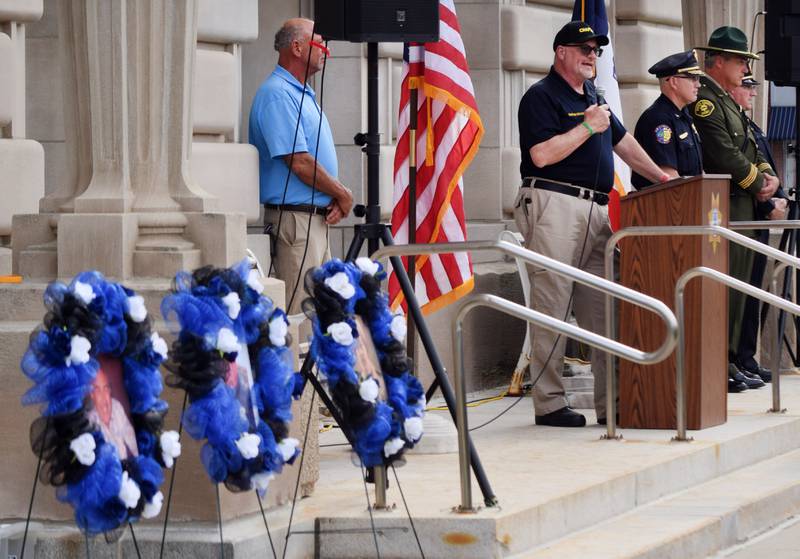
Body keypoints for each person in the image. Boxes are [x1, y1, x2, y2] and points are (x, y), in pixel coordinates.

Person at [516, 20, 670, 427]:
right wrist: (586, 127)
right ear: (560, 52)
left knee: (605, 309)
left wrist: (661, 177)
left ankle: (614, 403)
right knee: (551, 304)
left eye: (596, 50)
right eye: (583, 48)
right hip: (554, 204)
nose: (591, 56)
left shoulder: (595, 98)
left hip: (598, 210)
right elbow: (541, 156)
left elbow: (624, 144)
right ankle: (549, 403)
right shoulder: (541, 97)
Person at [690, 26, 780, 393]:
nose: (745, 67)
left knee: (743, 286)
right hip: (726, 205)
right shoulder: (707, 100)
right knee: (727, 286)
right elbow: (722, 152)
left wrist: (768, 177)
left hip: (743, 204)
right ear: (719, 61)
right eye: (741, 60)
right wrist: (758, 185)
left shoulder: (726, 98)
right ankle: (723, 359)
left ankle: (735, 358)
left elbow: (753, 147)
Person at [249, 18, 354, 314]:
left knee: (320, 316)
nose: (326, 52)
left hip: (313, 220)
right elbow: (299, 162)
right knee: (300, 316)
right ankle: (294, 365)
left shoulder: (301, 94)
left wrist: (332, 196)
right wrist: (343, 194)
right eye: (320, 43)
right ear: (297, 47)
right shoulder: (278, 94)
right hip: (297, 223)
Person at [729, 71, 788, 386]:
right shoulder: (727, 122)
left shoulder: (749, 127)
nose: (753, 93)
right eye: (747, 87)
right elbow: (736, 168)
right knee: (741, 294)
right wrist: (768, 205)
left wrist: (776, 198)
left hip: (760, 216)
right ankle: (737, 358)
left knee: (753, 294)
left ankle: (746, 357)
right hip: (748, 215)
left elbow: (764, 166)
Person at [631, 51, 704, 189]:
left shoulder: (684, 116)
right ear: (674, 82)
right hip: (669, 204)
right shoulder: (659, 119)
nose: (698, 85)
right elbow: (667, 174)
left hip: (689, 200)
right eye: (693, 78)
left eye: (698, 79)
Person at [87, 363, 138, 460]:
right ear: (92, 395)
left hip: (126, 468)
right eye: (97, 390)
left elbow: (131, 439)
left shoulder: (116, 407)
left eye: (106, 388)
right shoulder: (89, 422)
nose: (103, 397)